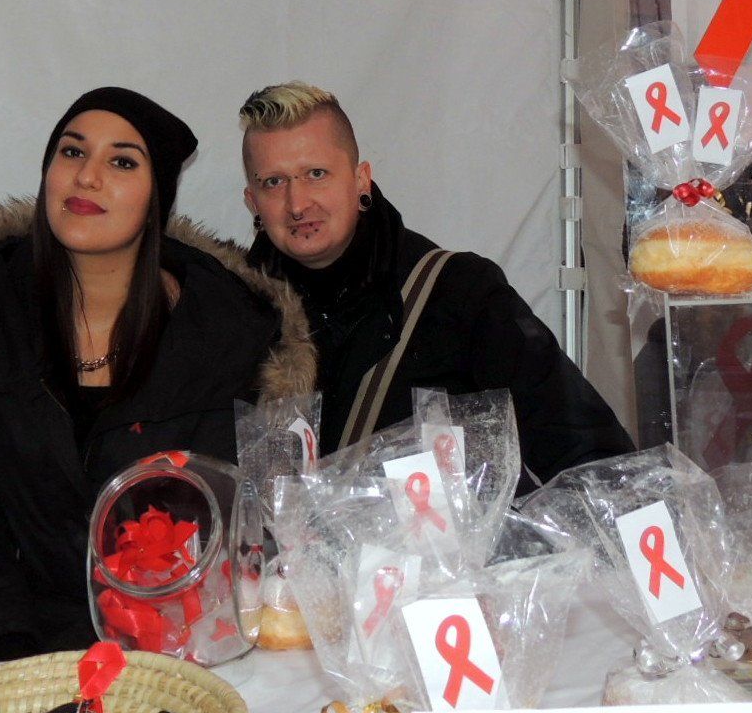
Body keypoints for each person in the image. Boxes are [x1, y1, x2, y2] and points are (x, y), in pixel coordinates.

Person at [0, 87, 313, 667]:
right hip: (13, 638)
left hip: (175, 646)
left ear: (156, 198)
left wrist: (166, 651)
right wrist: (6, 649)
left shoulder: (224, 332)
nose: (87, 177)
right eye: (72, 152)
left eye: (122, 162)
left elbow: (229, 528)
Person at [238, 81, 634, 484]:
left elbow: (591, 455)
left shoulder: (460, 293)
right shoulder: (230, 317)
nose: (298, 204)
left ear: (361, 180)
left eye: (316, 174)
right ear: (252, 201)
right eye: (274, 182)